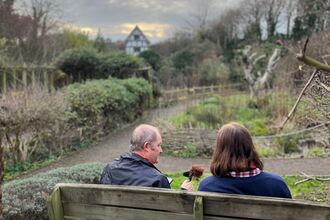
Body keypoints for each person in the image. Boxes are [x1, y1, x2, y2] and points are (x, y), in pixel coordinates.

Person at [198, 122, 291, 198]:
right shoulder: (276, 185)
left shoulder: (207, 187)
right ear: (249, 147)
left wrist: (187, 195)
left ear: (220, 151)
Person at [100, 124, 193, 190]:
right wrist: (184, 194)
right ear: (147, 146)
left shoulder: (109, 169)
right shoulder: (157, 180)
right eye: (159, 145)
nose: (161, 150)